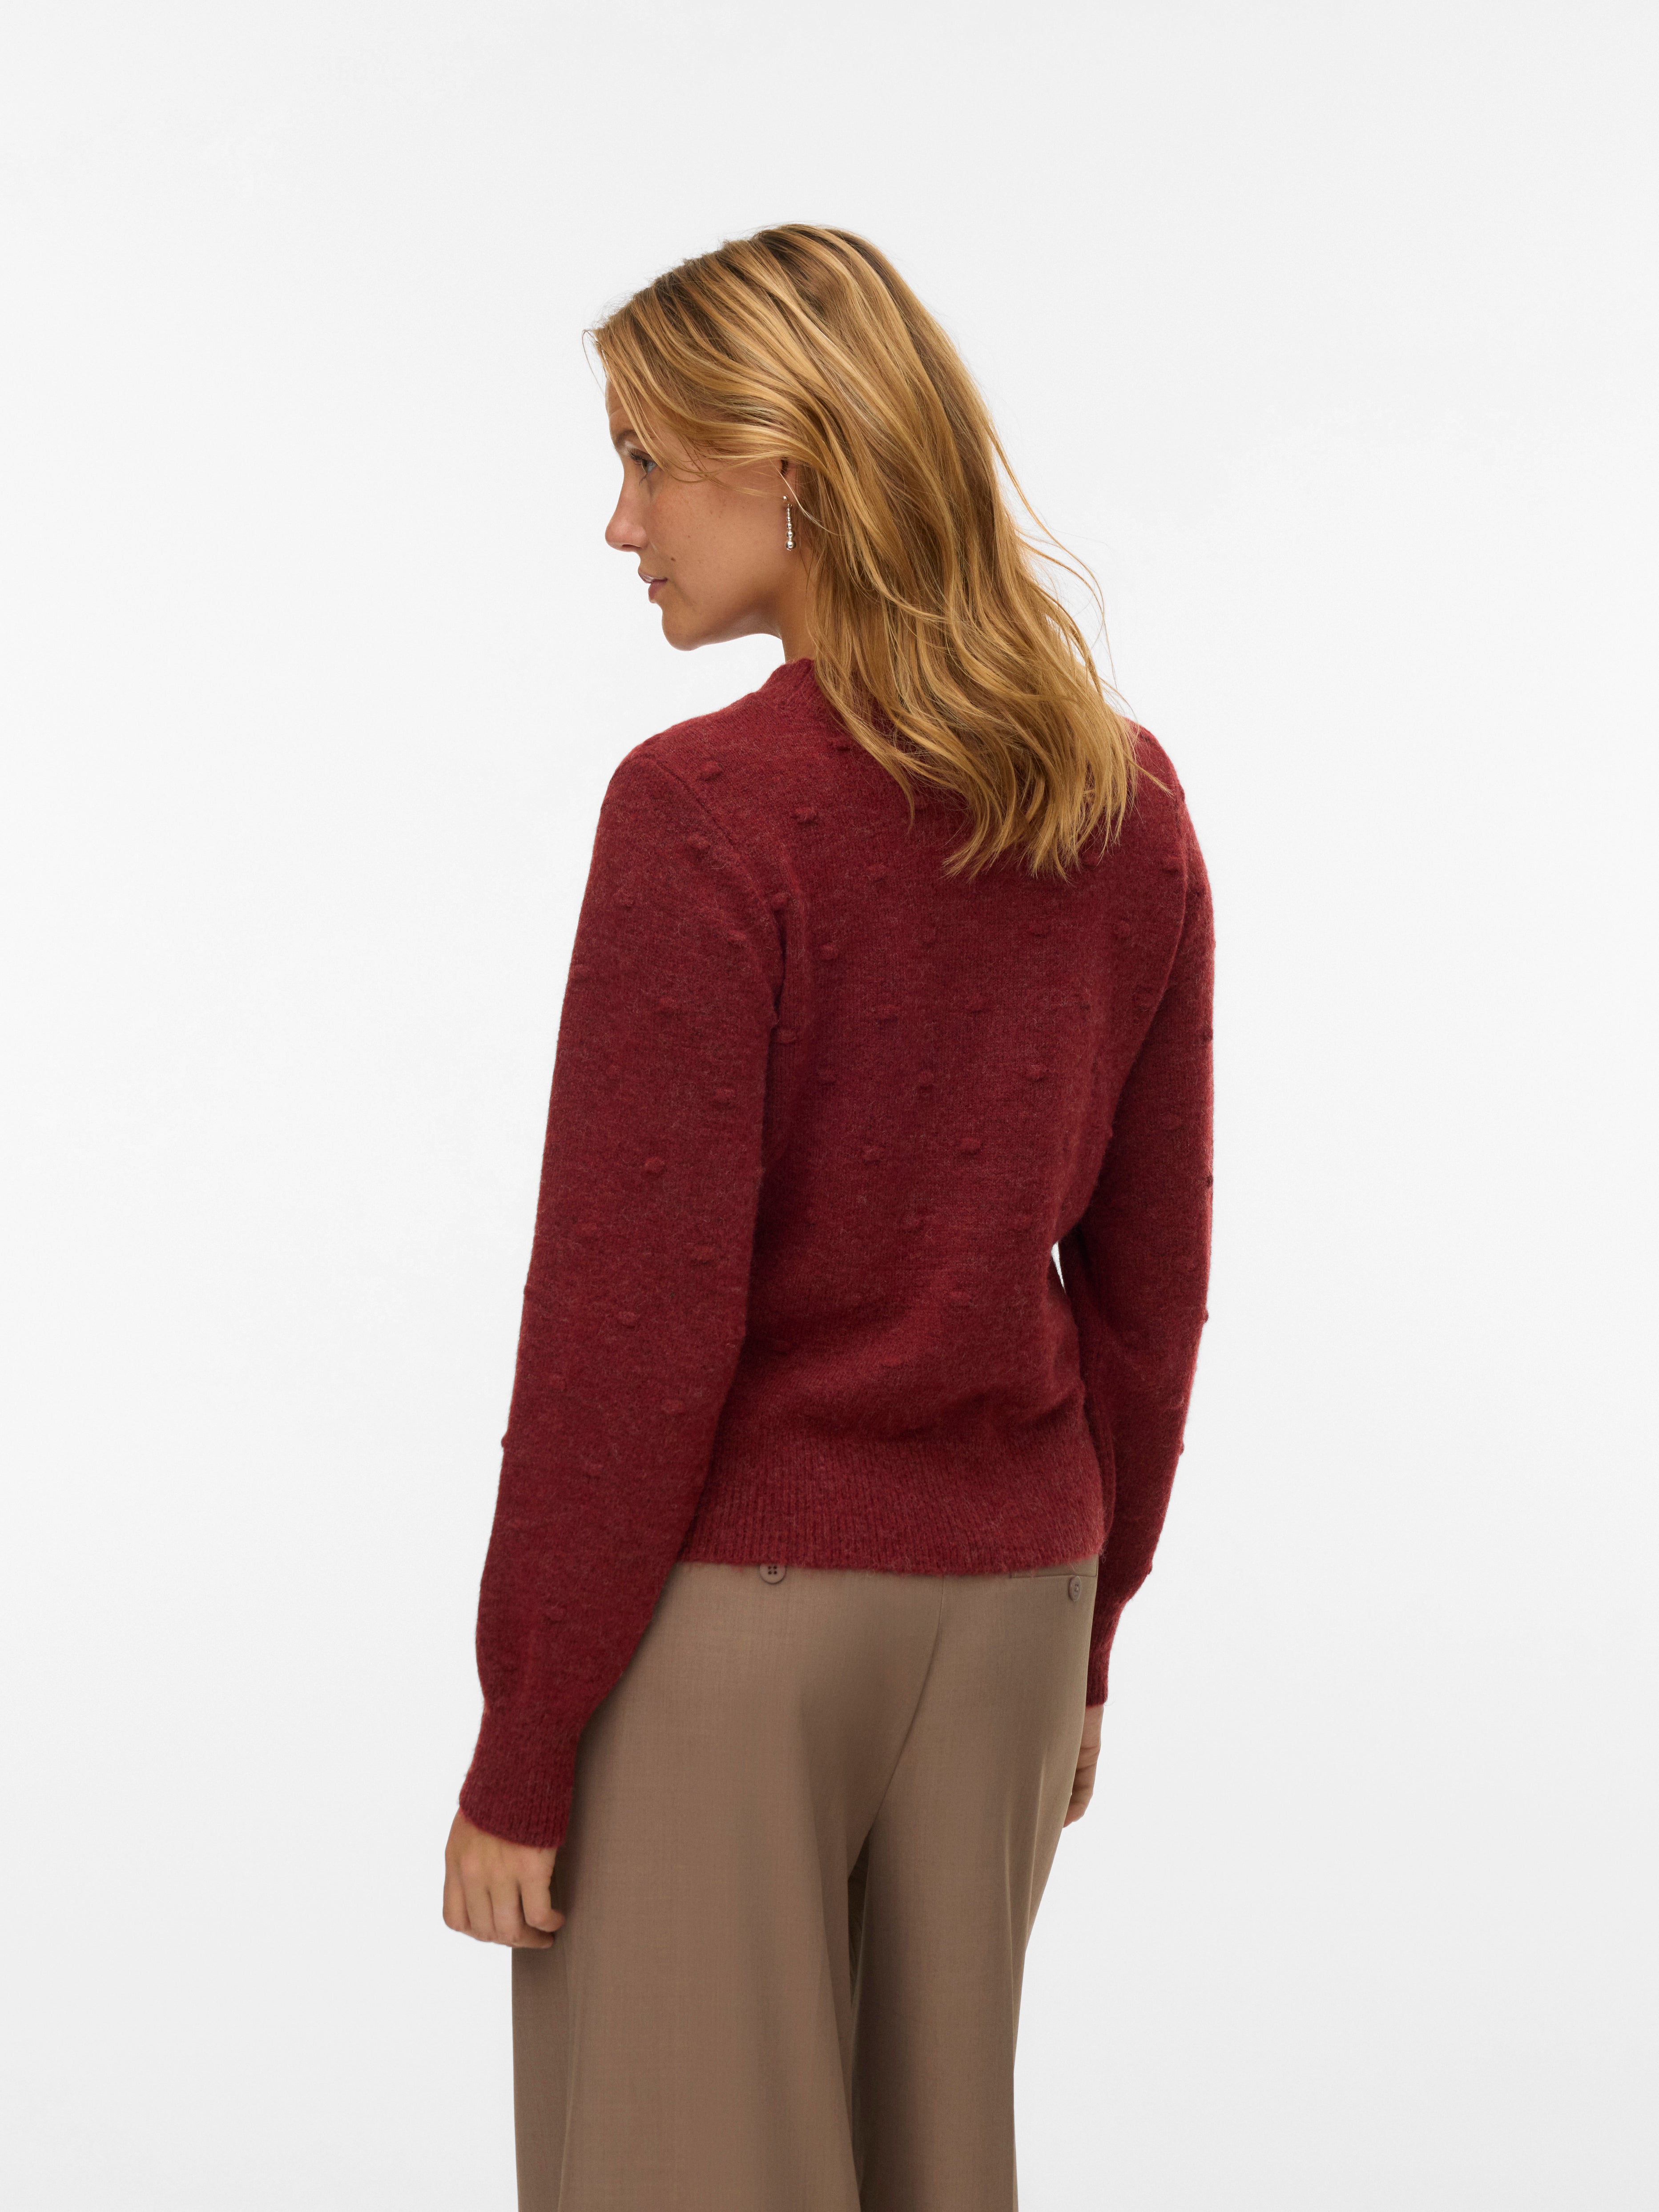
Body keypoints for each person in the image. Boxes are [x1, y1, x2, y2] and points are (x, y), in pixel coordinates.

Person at [441, 223, 1214, 2211]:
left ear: (786, 461)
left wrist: (527, 1739)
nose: (620, 523)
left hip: (741, 1622)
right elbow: (1150, 1294)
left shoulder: (706, 810)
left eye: (645, 460)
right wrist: (1093, 1631)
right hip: (1015, 1605)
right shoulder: (1124, 803)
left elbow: (629, 1326)